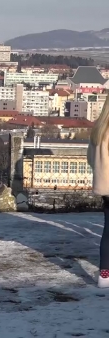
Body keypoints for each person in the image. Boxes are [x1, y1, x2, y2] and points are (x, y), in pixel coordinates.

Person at [87, 100, 109, 288]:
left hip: (106, 188)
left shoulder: (99, 129)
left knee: (107, 232)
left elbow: (90, 159)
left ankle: (104, 275)